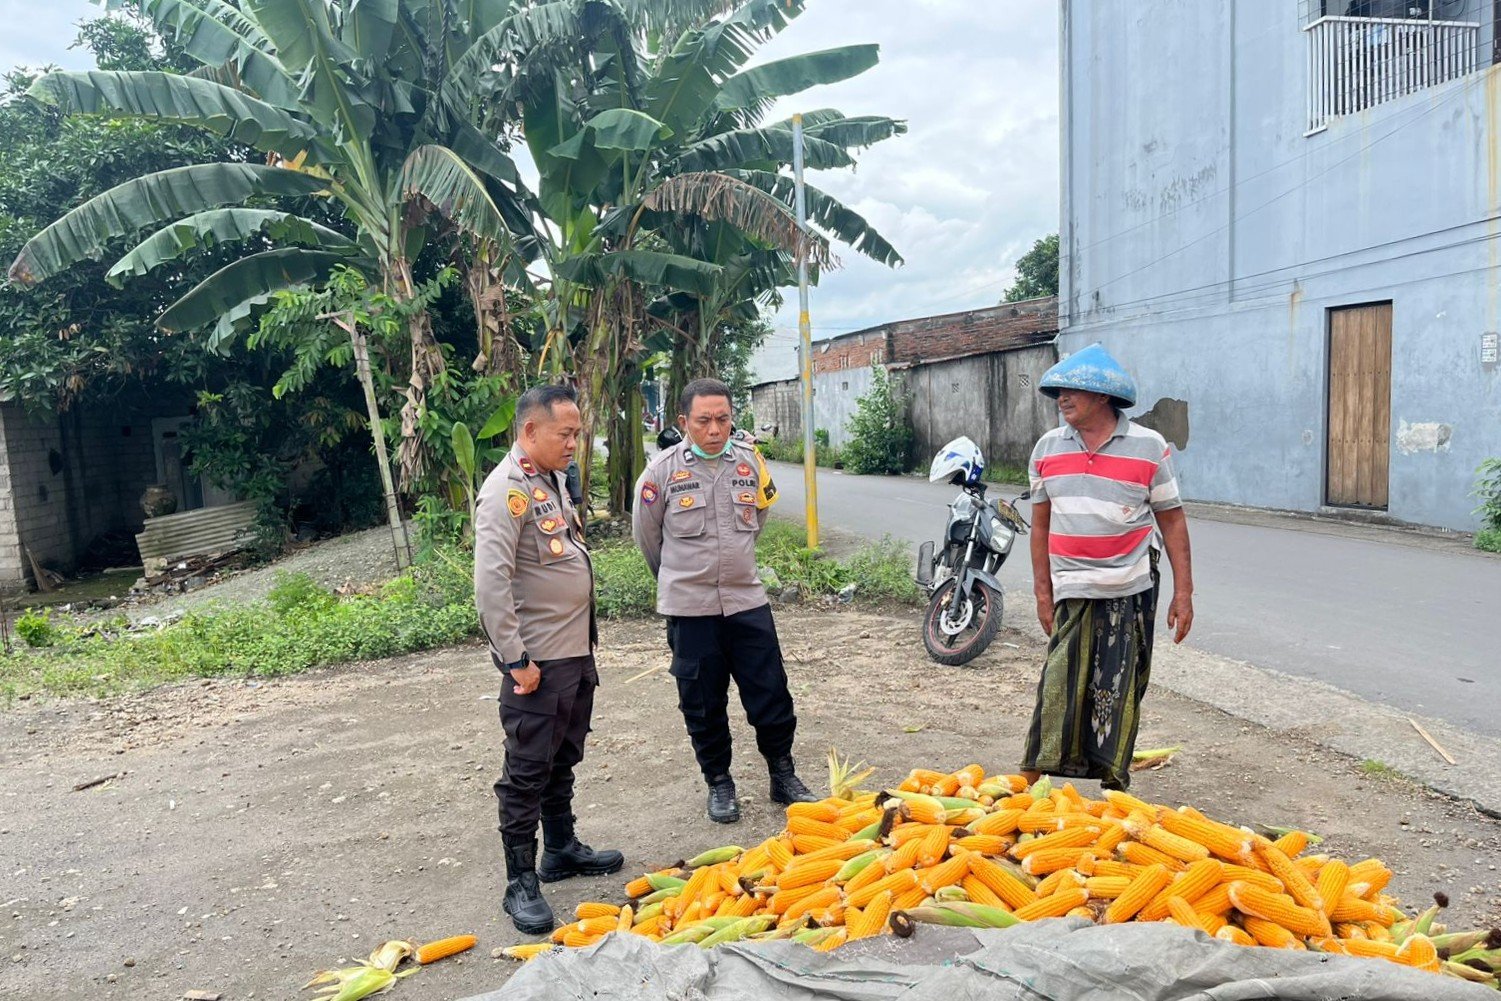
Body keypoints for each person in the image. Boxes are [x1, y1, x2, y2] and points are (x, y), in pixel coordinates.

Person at [632, 378, 817, 823]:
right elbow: (647, 538)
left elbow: (760, 515)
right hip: (690, 609)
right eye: (704, 420)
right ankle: (719, 783)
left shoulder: (750, 462)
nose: (715, 429)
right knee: (702, 700)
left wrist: (732, 564)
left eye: (723, 419)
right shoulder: (660, 473)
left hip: (746, 600)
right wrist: (681, 579)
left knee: (770, 691)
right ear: (684, 422)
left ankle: (782, 773)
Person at [474, 384, 623, 935]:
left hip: (574, 652)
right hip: (537, 661)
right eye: (565, 434)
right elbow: (491, 586)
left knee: (563, 755)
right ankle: (520, 882)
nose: (573, 444)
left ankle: (560, 848)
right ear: (530, 431)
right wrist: (516, 660)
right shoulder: (505, 491)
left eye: (577, 434)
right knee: (527, 770)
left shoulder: (551, 481)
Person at [1020, 343, 1194, 791]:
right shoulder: (1046, 448)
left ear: (1102, 396)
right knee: (1057, 686)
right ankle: (1027, 784)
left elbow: (1172, 521)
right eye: (1057, 391)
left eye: (1072, 390)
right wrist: (1042, 592)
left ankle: (1113, 788)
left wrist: (1184, 593)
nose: (1062, 398)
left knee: (1118, 690)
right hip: (1071, 588)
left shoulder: (1149, 447)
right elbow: (1039, 527)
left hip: (1129, 588)